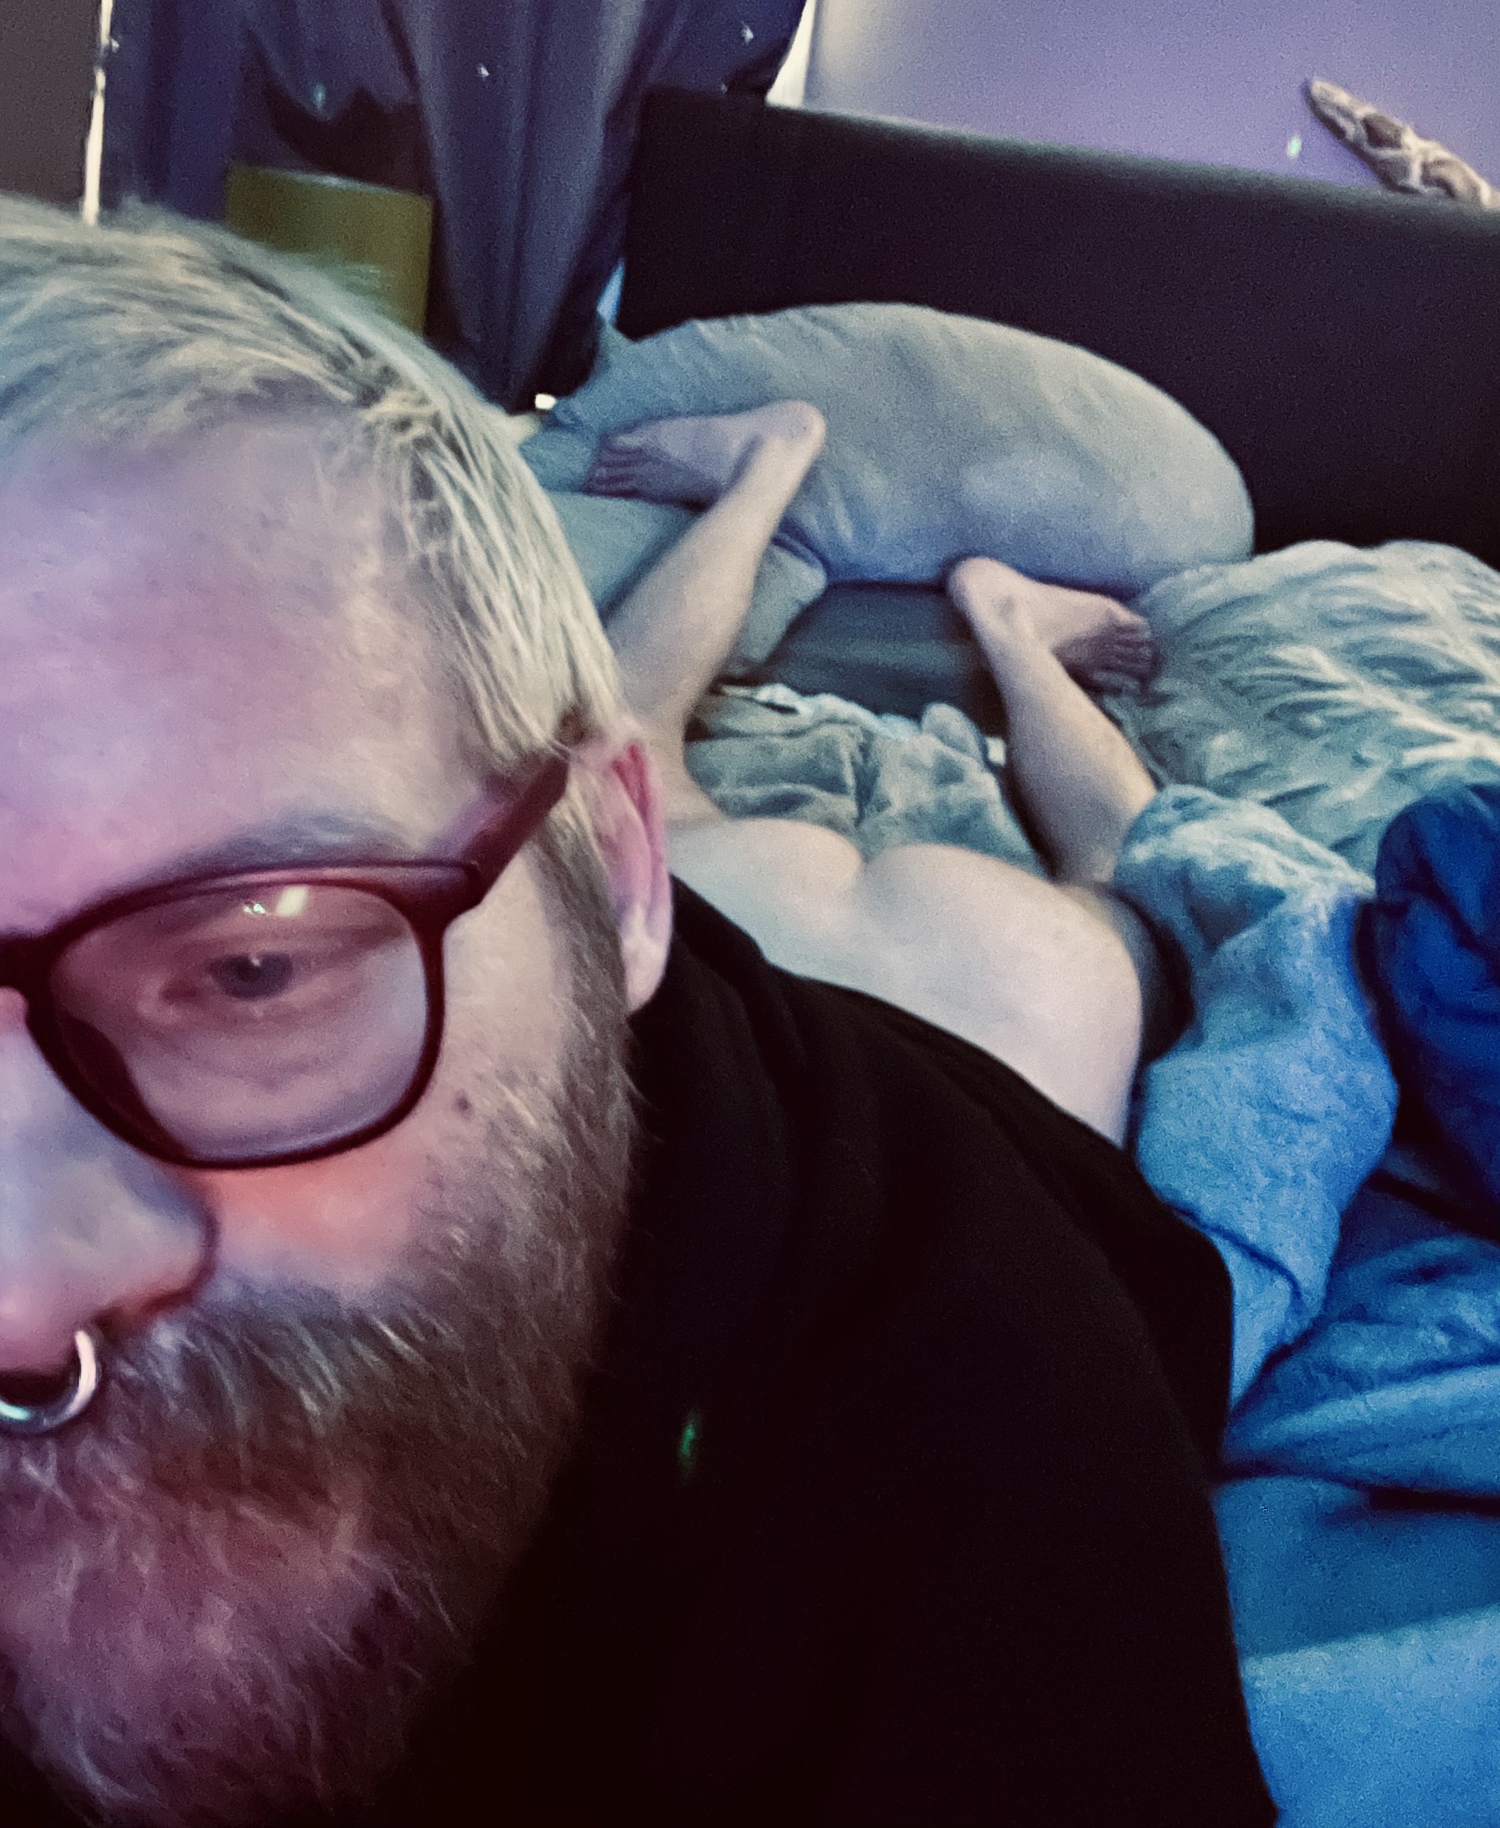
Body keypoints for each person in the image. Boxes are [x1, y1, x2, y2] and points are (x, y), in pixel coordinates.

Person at [0, 194, 1276, 1828]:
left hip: (1006, 1013)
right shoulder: (538, 869)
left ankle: (1013, 628)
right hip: (704, 916)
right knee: (641, 730)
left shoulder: (1002, 1419)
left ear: (619, 888)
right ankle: (769, 472)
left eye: (255, 966)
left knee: (1128, 875)